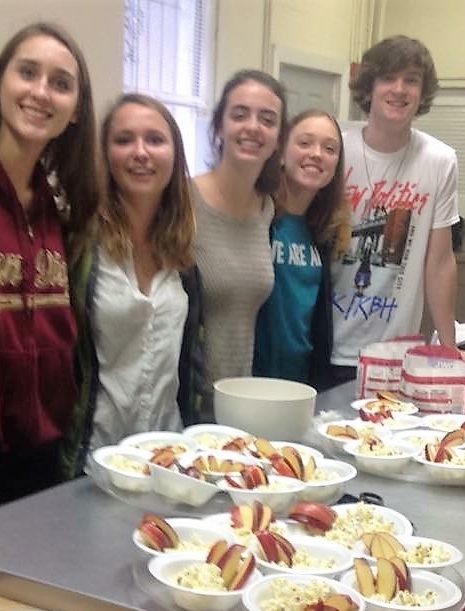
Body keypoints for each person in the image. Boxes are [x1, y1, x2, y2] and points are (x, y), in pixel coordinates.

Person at [0, 23, 100, 500]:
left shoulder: (58, 209)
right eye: (28, 73)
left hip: (46, 456)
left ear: (76, 110)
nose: (41, 92)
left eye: (60, 83)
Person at [62, 93, 202, 478]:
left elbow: (189, 364)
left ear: (175, 155)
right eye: (124, 140)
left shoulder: (183, 258)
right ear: (106, 154)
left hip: (168, 461)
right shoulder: (78, 245)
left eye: (155, 140)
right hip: (92, 462)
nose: (140, 152)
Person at [329, 35, 459, 385]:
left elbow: (440, 262)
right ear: (369, 88)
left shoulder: (439, 161)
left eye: (411, 80)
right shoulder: (334, 145)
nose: (399, 89)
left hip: (394, 355)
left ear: (423, 92)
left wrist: (450, 350)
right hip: (325, 344)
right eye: (388, 78)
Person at [192, 70, 288, 420]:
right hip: (186, 402)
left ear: (278, 139)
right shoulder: (184, 202)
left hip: (238, 401)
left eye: (267, 119)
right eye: (239, 114)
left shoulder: (266, 210)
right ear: (219, 126)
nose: (253, 127)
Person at [253, 109, 351, 388]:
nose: (317, 154)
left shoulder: (325, 231)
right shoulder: (257, 215)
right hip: (247, 381)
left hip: (299, 384)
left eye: (329, 148)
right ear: (282, 153)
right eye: (305, 143)